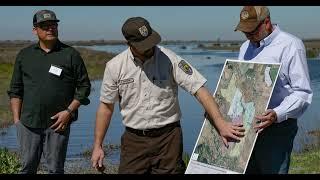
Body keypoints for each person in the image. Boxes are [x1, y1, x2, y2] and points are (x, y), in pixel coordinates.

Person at [91, 16, 245, 174]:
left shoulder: (169, 58)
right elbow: (106, 108)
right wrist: (98, 146)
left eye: (151, 42)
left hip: (169, 140)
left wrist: (220, 123)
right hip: (134, 141)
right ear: (129, 43)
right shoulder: (114, 67)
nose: (150, 48)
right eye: (144, 45)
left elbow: (200, 89)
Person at [7, 10, 91, 174]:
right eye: (44, 26)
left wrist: (68, 112)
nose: (50, 29)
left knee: (55, 169)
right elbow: (16, 90)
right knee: (27, 168)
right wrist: (17, 121)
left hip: (58, 124)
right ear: (35, 30)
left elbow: (84, 87)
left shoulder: (70, 54)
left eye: (53, 25)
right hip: (28, 124)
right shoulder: (25, 55)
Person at [234, 6, 313, 174]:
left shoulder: (291, 45)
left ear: (267, 23)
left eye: (252, 31)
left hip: (277, 128)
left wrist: (276, 114)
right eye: (244, 32)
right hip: (246, 127)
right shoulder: (244, 47)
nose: (248, 36)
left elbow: (303, 93)